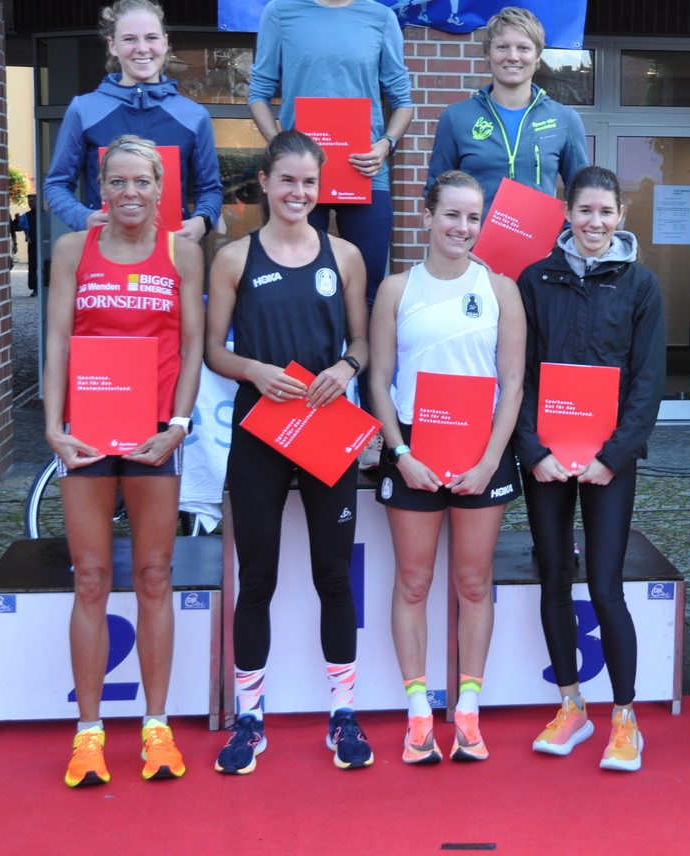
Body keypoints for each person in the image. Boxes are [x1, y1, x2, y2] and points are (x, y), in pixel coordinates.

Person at [203, 131, 374, 774]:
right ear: (265, 184)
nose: (299, 193)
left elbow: (362, 340)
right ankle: (250, 719)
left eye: (309, 183)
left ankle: (344, 714)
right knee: (259, 580)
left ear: (319, 187)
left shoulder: (347, 256)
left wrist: (345, 367)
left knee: (334, 575)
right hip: (260, 434)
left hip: (327, 429)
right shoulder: (232, 258)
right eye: (287, 181)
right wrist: (251, 369)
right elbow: (212, 350)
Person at [42, 136, 205, 788]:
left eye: (143, 182)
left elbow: (193, 346)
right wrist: (53, 427)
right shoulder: (69, 250)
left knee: (155, 576)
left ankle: (156, 726)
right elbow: (56, 338)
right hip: (87, 436)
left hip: (154, 440)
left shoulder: (182, 252)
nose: (130, 193)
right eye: (118, 182)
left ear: (162, 187)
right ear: (100, 188)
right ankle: (88, 734)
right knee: (90, 577)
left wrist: (180, 426)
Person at [369, 170, 526, 765]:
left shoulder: (500, 289)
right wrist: (400, 454)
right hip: (413, 447)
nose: (463, 228)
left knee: (472, 583)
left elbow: (512, 386)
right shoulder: (396, 289)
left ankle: (467, 711)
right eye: (452, 215)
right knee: (413, 583)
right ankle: (416, 715)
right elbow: (379, 382)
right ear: (427, 216)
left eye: (473, 217)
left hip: (482, 451)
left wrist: (489, 461)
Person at [514, 166, 665, 771]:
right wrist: (534, 452)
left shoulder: (640, 285)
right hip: (546, 460)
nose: (595, 223)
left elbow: (649, 382)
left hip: (610, 462)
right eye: (585, 212)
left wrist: (614, 456)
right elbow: (518, 375)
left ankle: (624, 718)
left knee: (605, 585)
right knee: (554, 576)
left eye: (606, 212)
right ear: (566, 214)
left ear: (621, 215)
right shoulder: (534, 279)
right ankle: (571, 705)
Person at [248, 0, 414, 309]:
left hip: (364, 173)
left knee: (370, 288)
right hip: (302, 179)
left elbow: (403, 101)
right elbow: (258, 94)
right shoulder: (282, 13)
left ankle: (363, 372)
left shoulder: (380, 19)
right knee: (299, 287)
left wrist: (384, 146)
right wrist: (282, 148)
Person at [43, 0, 222, 241]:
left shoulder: (194, 115)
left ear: (165, 43)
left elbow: (209, 189)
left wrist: (202, 221)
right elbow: (56, 184)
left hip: (171, 252)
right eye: (129, 39)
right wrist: (83, 218)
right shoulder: (84, 109)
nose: (142, 48)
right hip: (105, 250)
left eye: (151, 37)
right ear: (112, 46)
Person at [426, 7, 587, 210]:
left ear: (538, 55)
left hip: (540, 241)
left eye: (523, 48)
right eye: (502, 47)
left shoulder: (565, 120)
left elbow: (582, 195)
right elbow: (436, 193)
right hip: (473, 241)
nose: (512, 56)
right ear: (487, 54)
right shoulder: (456, 118)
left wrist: (560, 236)